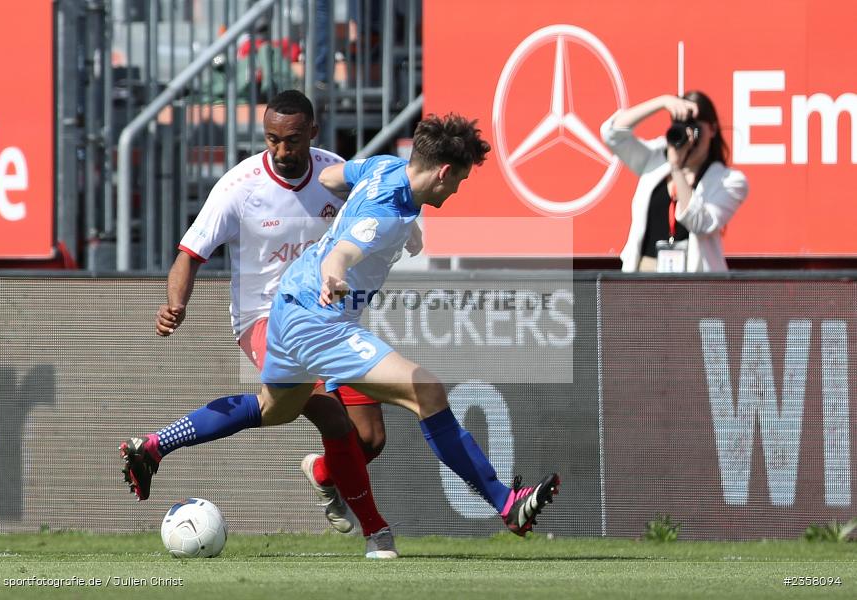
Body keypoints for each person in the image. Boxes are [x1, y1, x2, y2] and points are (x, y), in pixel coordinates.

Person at [119, 90, 404, 557]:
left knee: (369, 438)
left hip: (333, 319)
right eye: (272, 140)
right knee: (328, 411)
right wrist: (176, 305)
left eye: (292, 141)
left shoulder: (337, 174)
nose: (281, 151)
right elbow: (189, 254)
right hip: (265, 319)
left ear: (312, 133)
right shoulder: (239, 186)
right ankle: (377, 533)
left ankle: (320, 474)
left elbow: (374, 210)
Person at [257, 113, 559, 544]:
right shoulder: (384, 213)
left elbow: (329, 176)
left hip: (320, 316)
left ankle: (161, 443)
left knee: (361, 435)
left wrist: (374, 220)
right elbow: (342, 252)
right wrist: (333, 273)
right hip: (321, 320)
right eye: (459, 181)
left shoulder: (384, 168)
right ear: (444, 171)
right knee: (427, 391)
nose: (456, 191)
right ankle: (505, 506)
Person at [600, 91, 748, 272]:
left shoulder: (729, 181)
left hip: (694, 283)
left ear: (713, 129)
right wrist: (662, 101)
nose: (689, 138)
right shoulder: (656, 157)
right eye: (681, 127)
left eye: (695, 129)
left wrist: (677, 167)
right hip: (645, 274)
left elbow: (699, 223)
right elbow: (612, 134)